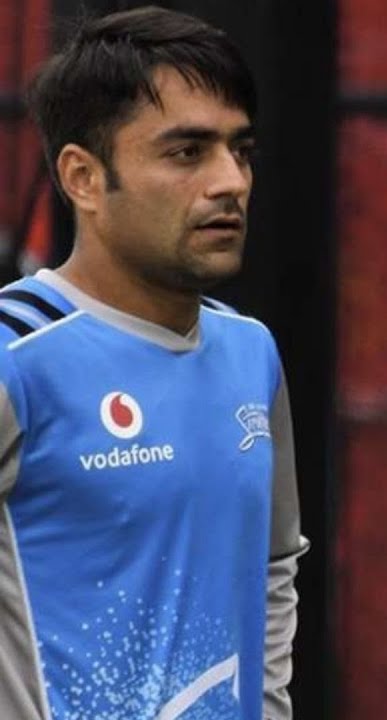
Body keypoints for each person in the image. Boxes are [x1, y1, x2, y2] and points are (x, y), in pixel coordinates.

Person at [0, 6, 306, 718]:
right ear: (82, 177)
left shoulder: (250, 352)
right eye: (186, 152)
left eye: (241, 150)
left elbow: (275, 565)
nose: (229, 180)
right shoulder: (18, 356)